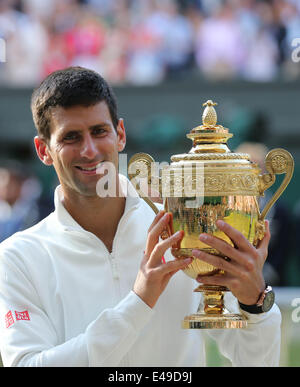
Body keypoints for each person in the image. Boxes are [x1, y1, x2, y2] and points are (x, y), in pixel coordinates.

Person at [0, 67, 281, 367]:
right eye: (71, 137)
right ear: (43, 150)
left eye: (99, 131)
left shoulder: (184, 234)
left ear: (120, 134)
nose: (90, 150)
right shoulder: (17, 258)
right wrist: (138, 303)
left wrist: (255, 304)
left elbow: (257, 363)